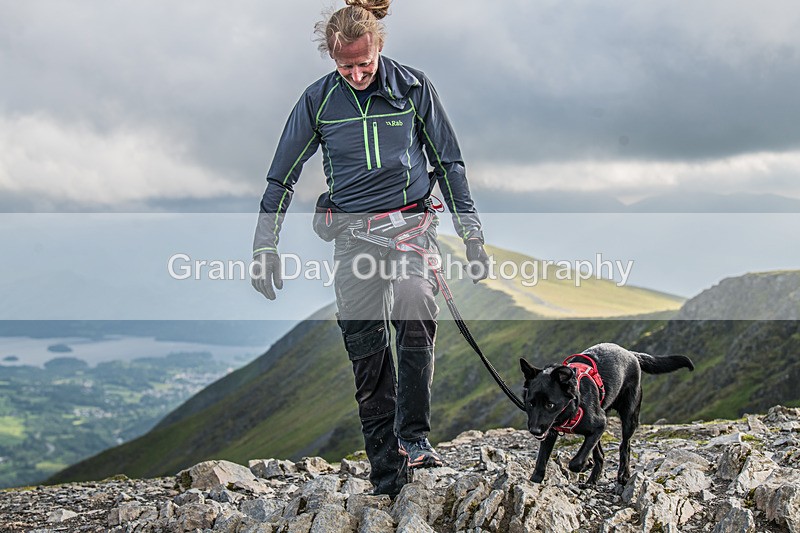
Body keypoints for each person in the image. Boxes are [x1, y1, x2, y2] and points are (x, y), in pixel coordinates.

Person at [251, 0, 490, 497]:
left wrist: (472, 236)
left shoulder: (414, 89)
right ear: (332, 59)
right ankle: (386, 473)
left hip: (410, 230)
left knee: (413, 299)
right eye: (345, 66)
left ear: (380, 47)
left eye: (365, 63)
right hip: (353, 239)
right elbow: (282, 176)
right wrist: (264, 247)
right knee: (366, 354)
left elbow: (450, 163)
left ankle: (414, 438)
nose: (357, 74)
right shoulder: (318, 101)